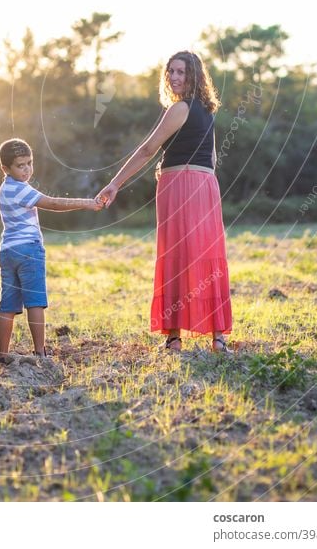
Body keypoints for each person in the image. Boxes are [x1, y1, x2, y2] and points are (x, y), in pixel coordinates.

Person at [96, 51, 233, 353]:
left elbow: (147, 149)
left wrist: (115, 183)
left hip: (180, 185)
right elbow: (210, 157)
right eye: (171, 71)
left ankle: (174, 336)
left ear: (194, 76)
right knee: (206, 253)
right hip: (206, 184)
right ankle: (217, 336)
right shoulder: (207, 112)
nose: (174, 77)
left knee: (176, 255)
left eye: (181, 72)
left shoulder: (179, 108)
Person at [0, 137, 102, 363]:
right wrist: (87, 203)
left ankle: (2, 354)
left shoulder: (5, 189)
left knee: (8, 304)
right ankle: (40, 353)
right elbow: (52, 204)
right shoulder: (20, 189)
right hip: (28, 250)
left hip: (7, 251)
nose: (26, 170)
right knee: (35, 301)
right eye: (20, 165)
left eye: (29, 163)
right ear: (5, 168)